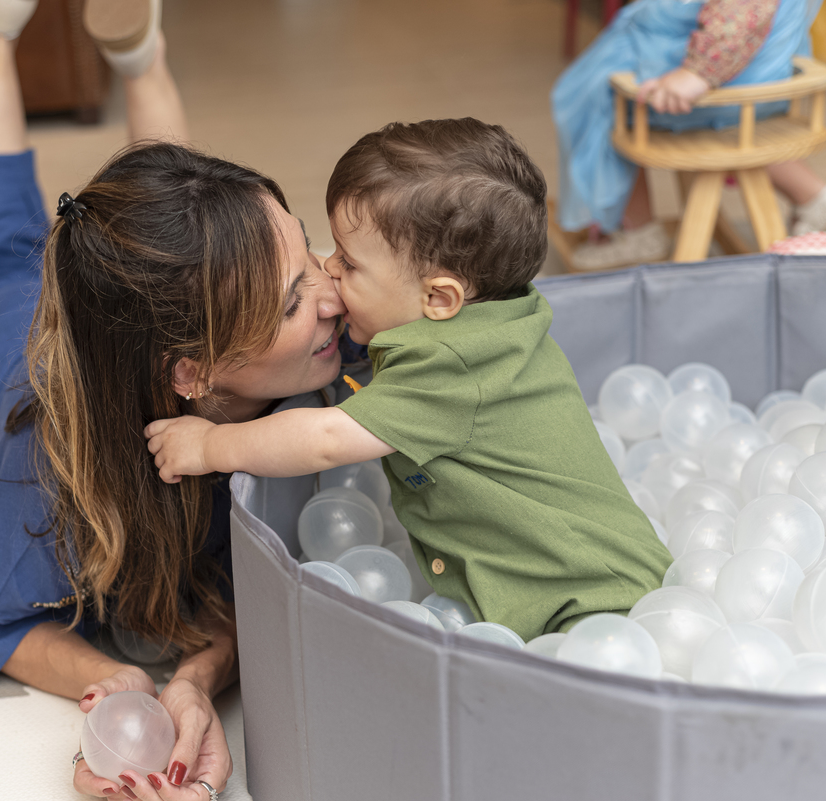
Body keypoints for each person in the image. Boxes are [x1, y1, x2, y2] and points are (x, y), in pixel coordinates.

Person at [0, 1, 346, 798]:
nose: (333, 295)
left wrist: (196, 679)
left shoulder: (311, 345)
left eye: (306, 246)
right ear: (194, 377)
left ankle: (140, 57)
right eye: (290, 301)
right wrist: (116, 680)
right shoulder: (46, 467)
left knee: (181, 208)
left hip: (126, 329)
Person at [145, 119, 673, 641]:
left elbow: (327, 439)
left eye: (349, 264)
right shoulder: (499, 320)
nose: (328, 269)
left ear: (439, 300)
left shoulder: (449, 365)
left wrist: (213, 445)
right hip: (596, 576)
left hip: (591, 601)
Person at [552, 0, 826, 271]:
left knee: (603, 100)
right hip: (758, 69)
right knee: (737, 133)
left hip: (728, 85)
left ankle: (637, 230)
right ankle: (813, 194)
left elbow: (742, 12)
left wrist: (698, 73)